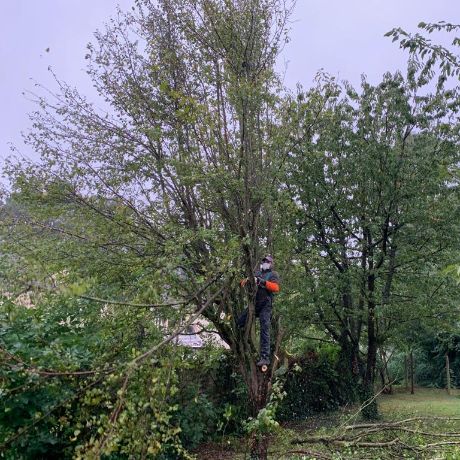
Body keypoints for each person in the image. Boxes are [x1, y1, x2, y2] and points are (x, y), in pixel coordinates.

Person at [237, 255, 280, 367]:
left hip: (266, 305)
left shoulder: (273, 274)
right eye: (264, 261)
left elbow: (276, 288)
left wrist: (262, 282)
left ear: (271, 263)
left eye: (267, 261)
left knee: (264, 329)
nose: (265, 262)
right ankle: (243, 345)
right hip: (254, 304)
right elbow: (242, 283)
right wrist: (247, 280)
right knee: (240, 321)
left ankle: (265, 358)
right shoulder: (256, 273)